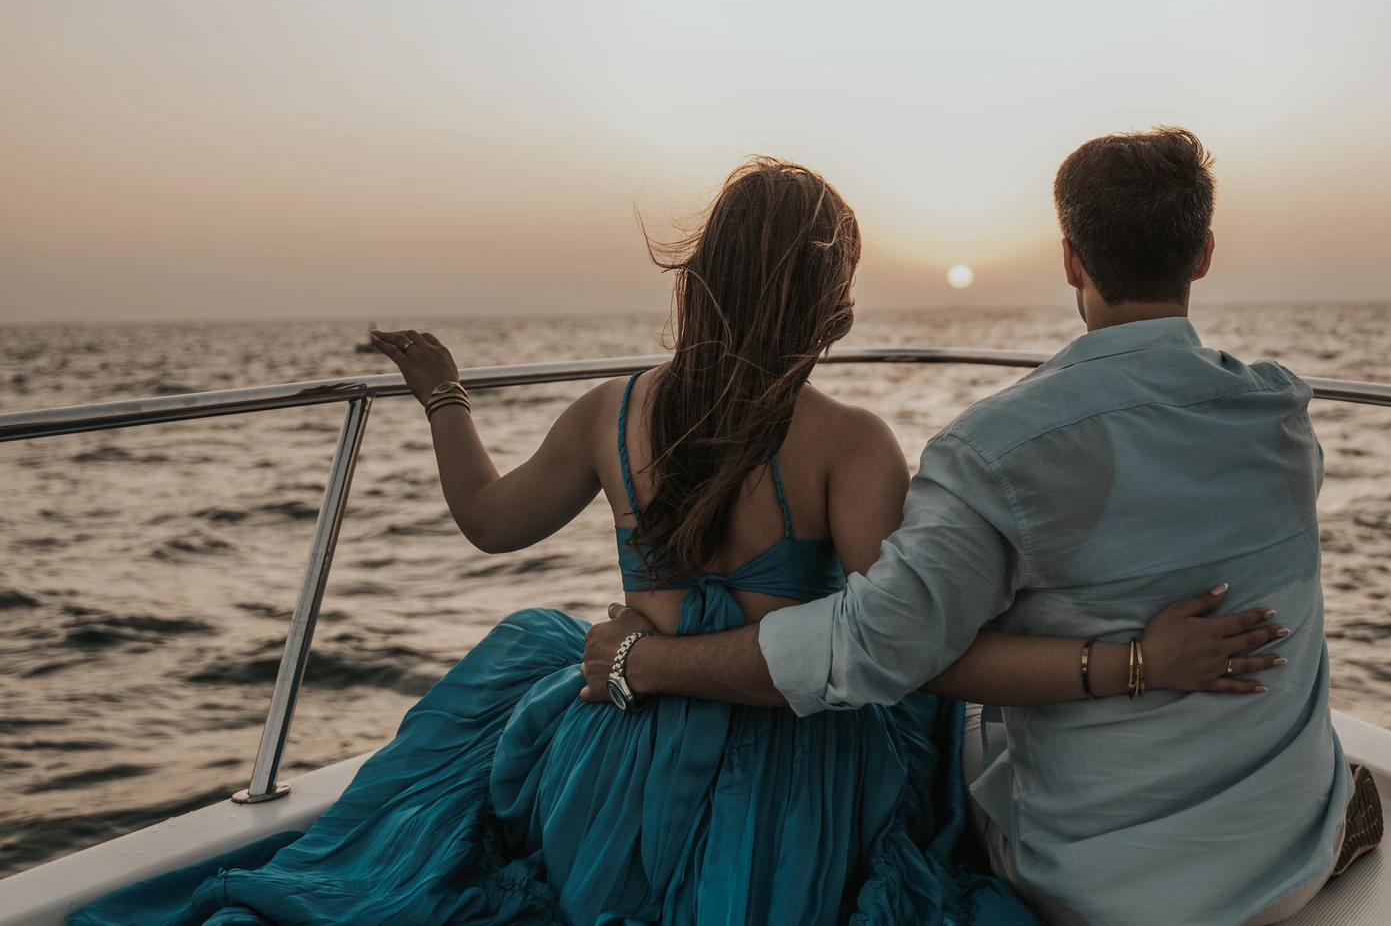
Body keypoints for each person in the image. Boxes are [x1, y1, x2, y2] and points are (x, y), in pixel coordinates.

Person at [71, 157, 1282, 926]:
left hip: (612, 762)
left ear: (703, 272)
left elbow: (489, 524)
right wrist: (1133, 657)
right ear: (831, 299)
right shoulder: (850, 443)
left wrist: (444, 394)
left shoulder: (611, 411)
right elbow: (913, 650)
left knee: (535, 648)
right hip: (793, 786)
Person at [580, 130, 1383, 926]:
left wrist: (645, 663)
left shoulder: (997, 447)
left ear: (1071, 258)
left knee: (944, 735)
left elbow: (875, 650)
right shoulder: (1281, 413)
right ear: (1202, 253)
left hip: (1096, 891)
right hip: (1294, 858)